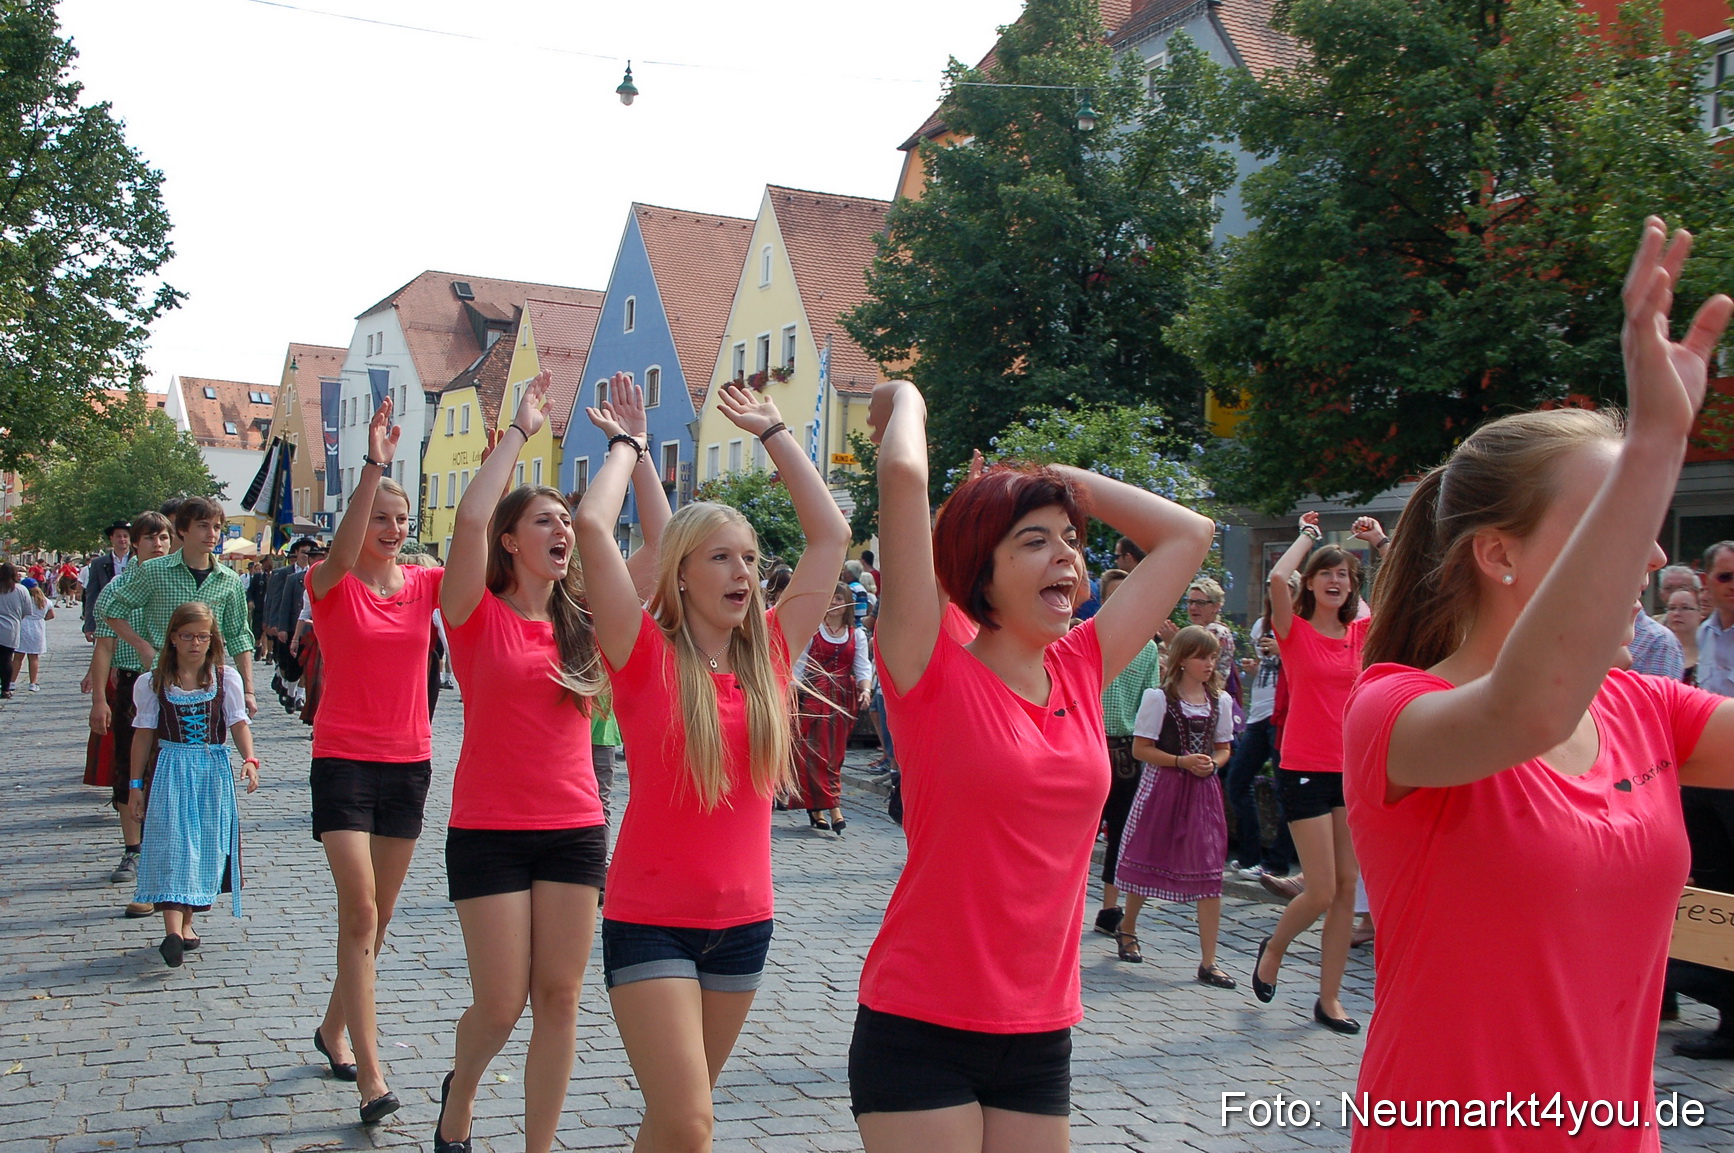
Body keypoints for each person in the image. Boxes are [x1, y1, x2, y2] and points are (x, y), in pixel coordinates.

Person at [1342, 218, 1733, 1149]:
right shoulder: (1393, 709)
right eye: (1610, 517)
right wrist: (1652, 449)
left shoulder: (1645, 708)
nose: (1646, 552)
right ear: (1499, 556)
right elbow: (1527, 707)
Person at [850, 378, 1213, 1151]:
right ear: (980, 573)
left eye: (1071, 541)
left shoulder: (1083, 665)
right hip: (920, 1023)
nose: (1066, 558)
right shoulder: (928, 666)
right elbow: (905, 477)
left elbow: (1189, 534)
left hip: (1041, 1029)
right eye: (1034, 540)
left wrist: (1056, 483)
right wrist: (908, 397)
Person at [576, 378, 848, 1152]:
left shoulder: (769, 653)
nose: (742, 572)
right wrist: (628, 449)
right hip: (650, 921)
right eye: (721, 557)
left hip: (743, 926)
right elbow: (594, 527)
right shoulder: (640, 654)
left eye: (751, 559)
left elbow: (828, 537)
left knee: (671, 1122)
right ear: (681, 571)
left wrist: (776, 435)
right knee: (693, 1122)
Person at [433, 370, 670, 1153]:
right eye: (544, 519)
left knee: (561, 997)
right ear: (511, 539)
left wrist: (632, 453)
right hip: (490, 829)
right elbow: (469, 517)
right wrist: (516, 432)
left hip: (574, 827)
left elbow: (663, 552)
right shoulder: (475, 615)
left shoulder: (588, 621)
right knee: (500, 1005)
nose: (563, 528)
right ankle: (461, 1088)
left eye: (568, 518)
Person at [302, 397, 444, 1126]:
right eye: (381, 520)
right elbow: (342, 546)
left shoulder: (423, 586)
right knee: (358, 907)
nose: (391, 532)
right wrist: (374, 469)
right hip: (345, 761)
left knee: (376, 920)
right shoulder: (331, 587)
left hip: (409, 762)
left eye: (401, 522)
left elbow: (482, 564)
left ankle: (332, 1028)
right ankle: (371, 1074)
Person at [1250, 509, 1385, 1034]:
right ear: (1312, 583)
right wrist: (1308, 536)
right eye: (1327, 572)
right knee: (1323, 888)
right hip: (1303, 767)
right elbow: (1277, 578)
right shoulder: (1294, 629)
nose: (1336, 580)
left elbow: (1399, 588)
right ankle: (1274, 948)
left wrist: (1377, 542)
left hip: (1350, 771)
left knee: (1348, 889)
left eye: (1344, 574)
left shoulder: (1360, 633)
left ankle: (1329, 1000)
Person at [127, 601, 259, 967]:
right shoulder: (153, 682)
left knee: (202, 845)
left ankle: (186, 924)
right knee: (173, 843)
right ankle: (172, 930)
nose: (195, 643)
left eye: (202, 636)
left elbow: (237, 722)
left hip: (211, 770)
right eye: (187, 636)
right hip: (171, 767)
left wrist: (249, 759)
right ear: (172, 638)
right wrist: (135, 784)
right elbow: (142, 735)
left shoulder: (224, 678)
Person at [1113, 626, 1237, 986]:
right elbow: (1141, 749)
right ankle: (1129, 925)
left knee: (1210, 867)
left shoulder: (1219, 701)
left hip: (1203, 792)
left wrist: (1213, 763)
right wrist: (1182, 762)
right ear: (1182, 659)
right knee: (1149, 852)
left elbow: (1224, 746)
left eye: (1212, 656)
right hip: (1164, 785)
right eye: (1202, 656)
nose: (1209, 663)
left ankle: (1209, 960)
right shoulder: (1160, 698)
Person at [86, 512, 174, 903]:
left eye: (164, 538)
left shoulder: (177, 584)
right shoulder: (118, 589)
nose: (158, 545)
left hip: (171, 686)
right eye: (150, 538)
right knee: (129, 768)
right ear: (133, 544)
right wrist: (99, 700)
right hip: (128, 684)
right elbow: (103, 647)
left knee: (168, 769)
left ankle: (165, 848)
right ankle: (133, 849)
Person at [103, 496, 257, 717]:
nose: (212, 534)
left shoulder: (229, 580)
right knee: (152, 746)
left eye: (216, 527)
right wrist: (143, 647)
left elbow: (238, 637)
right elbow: (113, 612)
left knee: (207, 748)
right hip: (162, 677)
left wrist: (248, 691)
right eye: (203, 526)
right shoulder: (154, 571)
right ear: (182, 530)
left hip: (208, 682)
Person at [1091, 569, 1159, 940]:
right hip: (1089, 742)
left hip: (1126, 751)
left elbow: (1150, 700)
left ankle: (1109, 908)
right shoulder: (1085, 638)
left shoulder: (1146, 648)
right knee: (1077, 831)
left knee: (1121, 833)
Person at [792, 583, 872, 833]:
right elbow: (799, 665)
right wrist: (791, 694)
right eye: (831, 598)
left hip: (842, 698)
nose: (834, 603)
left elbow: (862, 668)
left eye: (839, 598)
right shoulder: (812, 631)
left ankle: (821, 806)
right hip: (815, 695)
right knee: (814, 753)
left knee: (834, 755)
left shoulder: (856, 634)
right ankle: (830, 807)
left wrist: (866, 690)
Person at [1226, 591, 1295, 879]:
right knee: (1238, 780)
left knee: (1285, 790)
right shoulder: (1260, 626)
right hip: (1259, 713)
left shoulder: (1300, 626)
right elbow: (1266, 666)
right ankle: (1251, 855)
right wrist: (1258, 665)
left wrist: (1284, 649)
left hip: (1285, 715)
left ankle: (1278, 863)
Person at [82, 521, 133, 641]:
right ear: (112, 538)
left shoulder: (139, 559)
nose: (122, 539)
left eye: (125, 536)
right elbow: (92, 594)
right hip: (107, 615)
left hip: (133, 616)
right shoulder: (98, 563)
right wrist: (90, 625)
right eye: (118, 536)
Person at [0, 563, 31, 699]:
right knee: (7, 659)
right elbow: (26, 610)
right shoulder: (21, 590)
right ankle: (6, 688)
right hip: (10, 628)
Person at [13, 580, 51, 691]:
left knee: (18, 657)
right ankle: (33, 683)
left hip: (24, 625)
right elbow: (51, 615)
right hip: (38, 627)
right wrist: (41, 618)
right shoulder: (45, 601)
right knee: (34, 657)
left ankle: (12, 681)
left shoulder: (24, 599)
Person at [1665, 588, 1704, 684]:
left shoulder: (1710, 647)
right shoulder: (1660, 647)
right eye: (1672, 608)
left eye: (1685, 608)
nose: (1676, 613)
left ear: (1700, 612)